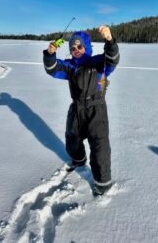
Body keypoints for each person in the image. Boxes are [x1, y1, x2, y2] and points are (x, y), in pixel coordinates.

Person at [43, 25, 120, 196]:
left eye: (80, 46)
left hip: (96, 110)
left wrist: (109, 40)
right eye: (73, 48)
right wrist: (50, 54)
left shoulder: (99, 63)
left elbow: (113, 58)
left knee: (100, 146)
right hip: (76, 108)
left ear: (87, 47)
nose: (76, 50)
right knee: (72, 137)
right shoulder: (70, 66)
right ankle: (78, 160)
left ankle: (103, 184)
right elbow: (52, 69)